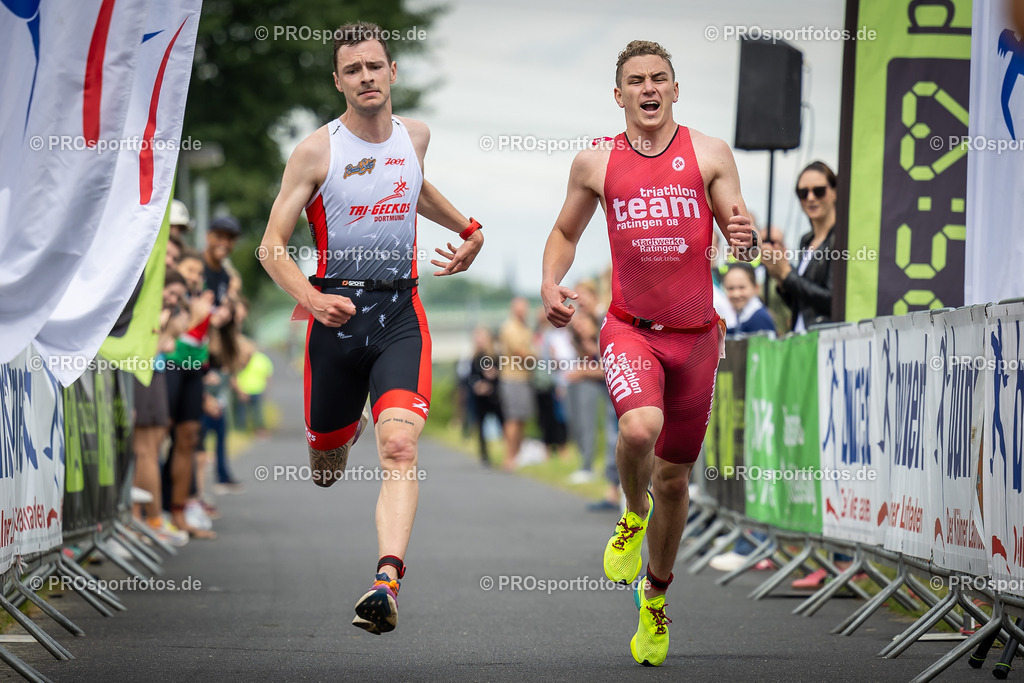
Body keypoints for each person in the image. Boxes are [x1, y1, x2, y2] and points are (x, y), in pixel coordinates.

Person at [258, 21, 483, 636]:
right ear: (338, 81)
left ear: (392, 72)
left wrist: (467, 228)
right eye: (352, 70)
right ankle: (346, 426)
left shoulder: (416, 136)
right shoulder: (316, 152)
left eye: (374, 66)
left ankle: (386, 581)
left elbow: (413, 187)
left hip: (399, 316)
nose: (366, 77)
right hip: (335, 318)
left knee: (401, 447)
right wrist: (311, 297)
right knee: (326, 469)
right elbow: (271, 246)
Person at [541, 40, 757, 666]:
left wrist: (742, 235)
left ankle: (655, 597)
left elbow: (738, 229)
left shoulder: (710, 153)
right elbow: (565, 231)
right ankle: (632, 514)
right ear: (620, 95)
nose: (648, 88)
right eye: (636, 81)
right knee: (639, 429)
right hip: (630, 328)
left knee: (676, 478)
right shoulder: (596, 162)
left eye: (659, 78)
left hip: (696, 339)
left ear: (675, 89)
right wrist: (551, 282)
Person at [762, 161, 836, 332]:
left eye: (819, 191)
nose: (810, 198)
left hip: (826, 338)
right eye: (803, 193)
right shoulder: (806, 240)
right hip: (802, 338)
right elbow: (802, 305)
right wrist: (780, 279)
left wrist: (787, 274)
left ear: (835, 192)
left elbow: (833, 300)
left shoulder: (839, 239)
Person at [497, 296, 537, 471]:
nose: (525, 312)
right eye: (522, 308)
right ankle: (509, 457)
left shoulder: (524, 327)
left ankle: (517, 456)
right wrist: (538, 356)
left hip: (524, 378)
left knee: (521, 418)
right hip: (512, 378)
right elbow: (520, 352)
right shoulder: (510, 328)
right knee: (512, 419)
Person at [467, 327, 503, 466]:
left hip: (494, 396)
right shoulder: (475, 357)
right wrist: (477, 385)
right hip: (480, 398)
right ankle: (484, 455)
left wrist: (493, 378)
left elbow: (501, 375)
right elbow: (471, 377)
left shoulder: (495, 356)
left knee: (503, 422)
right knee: (481, 426)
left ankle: (508, 453)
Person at [721, 263, 776, 336]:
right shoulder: (743, 315)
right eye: (731, 288)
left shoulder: (759, 319)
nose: (736, 294)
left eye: (742, 287)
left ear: (756, 288)